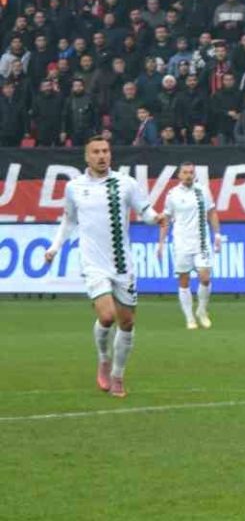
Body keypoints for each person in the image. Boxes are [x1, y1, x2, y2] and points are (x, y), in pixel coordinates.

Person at [43, 137, 163, 398]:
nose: (102, 156)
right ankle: (103, 359)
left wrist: (157, 218)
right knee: (107, 316)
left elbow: (145, 211)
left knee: (127, 322)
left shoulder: (126, 183)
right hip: (93, 263)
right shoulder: (75, 187)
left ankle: (118, 376)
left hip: (121, 263)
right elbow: (69, 221)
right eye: (96, 152)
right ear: (87, 157)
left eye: (106, 151)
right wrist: (54, 247)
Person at [156, 163, 221, 330]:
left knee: (205, 278)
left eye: (191, 172)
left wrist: (217, 235)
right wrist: (160, 243)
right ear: (179, 175)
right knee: (184, 281)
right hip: (181, 243)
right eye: (185, 172)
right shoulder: (172, 194)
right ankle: (189, 317)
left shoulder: (203, 190)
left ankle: (201, 310)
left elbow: (212, 212)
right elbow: (166, 219)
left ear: (195, 174)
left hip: (201, 242)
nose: (188, 175)